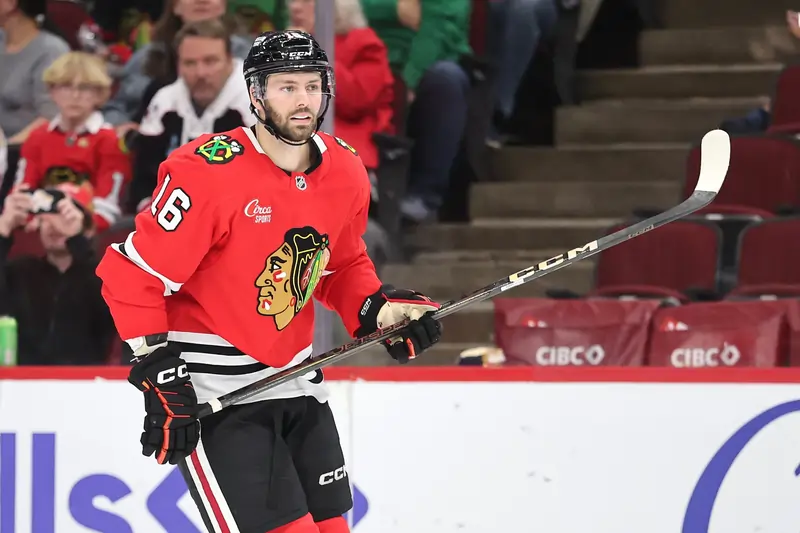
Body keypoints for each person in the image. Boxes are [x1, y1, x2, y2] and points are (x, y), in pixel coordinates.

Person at [95, 30, 442, 533]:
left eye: (312, 85)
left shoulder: (344, 168)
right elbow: (129, 274)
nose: (303, 100)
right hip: (219, 393)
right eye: (286, 86)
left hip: (297, 380)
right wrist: (155, 365)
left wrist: (379, 311)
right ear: (255, 95)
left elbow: (339, 266)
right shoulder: (206, 173)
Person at [128, 19, 255, 212]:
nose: (201, 73)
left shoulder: (257, 103)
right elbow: (143, 176)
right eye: (190, 63)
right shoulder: (164, 101)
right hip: (173, 217)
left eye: (210, 61)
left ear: (230, 60)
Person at [0, 182, 116, 365]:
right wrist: (3, 229)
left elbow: (110, 304)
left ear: (87, 228)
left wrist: (76, 240)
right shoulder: (21, 271)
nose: (54, 225)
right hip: (22, 383)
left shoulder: (102, 276)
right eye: (47, 216)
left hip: (86, 384)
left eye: (64, 216)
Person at [15, 51, 131, 232]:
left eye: (84, 88)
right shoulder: (38, 137)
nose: (75, 95)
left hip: (88, 234)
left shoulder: (109, 140)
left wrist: (77, 226)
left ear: (100, 94)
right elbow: (22, 191)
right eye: (66, 86)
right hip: (40, 227)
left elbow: (108, 207)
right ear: (52, 91)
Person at [0, 0, 70, 145]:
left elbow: (52, 117)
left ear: (11, 3)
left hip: (22, 150)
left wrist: (6, 149)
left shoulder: (52, 51)